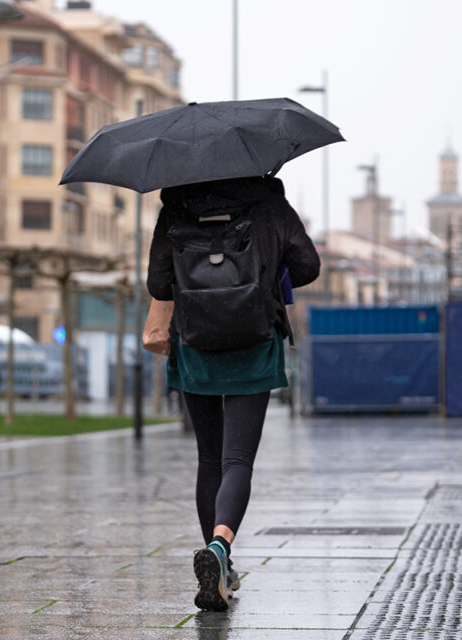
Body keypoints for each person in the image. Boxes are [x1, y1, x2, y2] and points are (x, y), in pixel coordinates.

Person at [147, 175, 319, 612]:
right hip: (254, 339)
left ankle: (218, 557)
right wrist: (267, 265)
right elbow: (308, 266)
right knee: (237, 459)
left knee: (209, 459)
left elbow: (157, 283)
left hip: (195, 343)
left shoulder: (176, 205)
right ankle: (221, 549)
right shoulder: (269, 202)